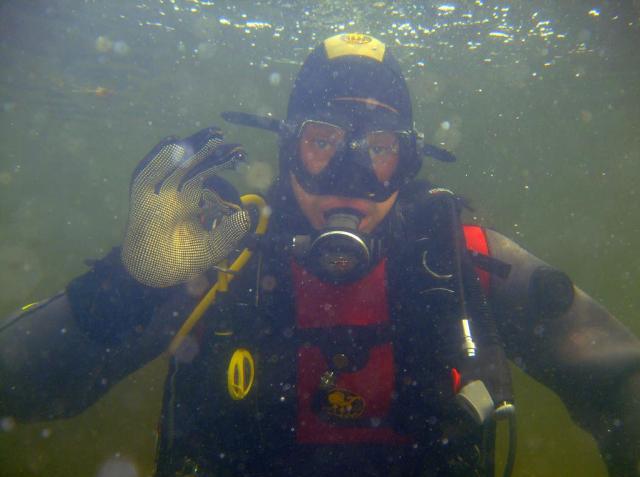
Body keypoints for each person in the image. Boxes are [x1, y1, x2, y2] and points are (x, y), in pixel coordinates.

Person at [1, 33, 639, 477]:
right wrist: (129, 285)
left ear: (409, 160)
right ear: (288, 149)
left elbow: (620, 380)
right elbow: (17, 388)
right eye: (323, 140)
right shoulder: (218, 258)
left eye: (380, 146)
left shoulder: (463, 260)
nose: (353, 174)